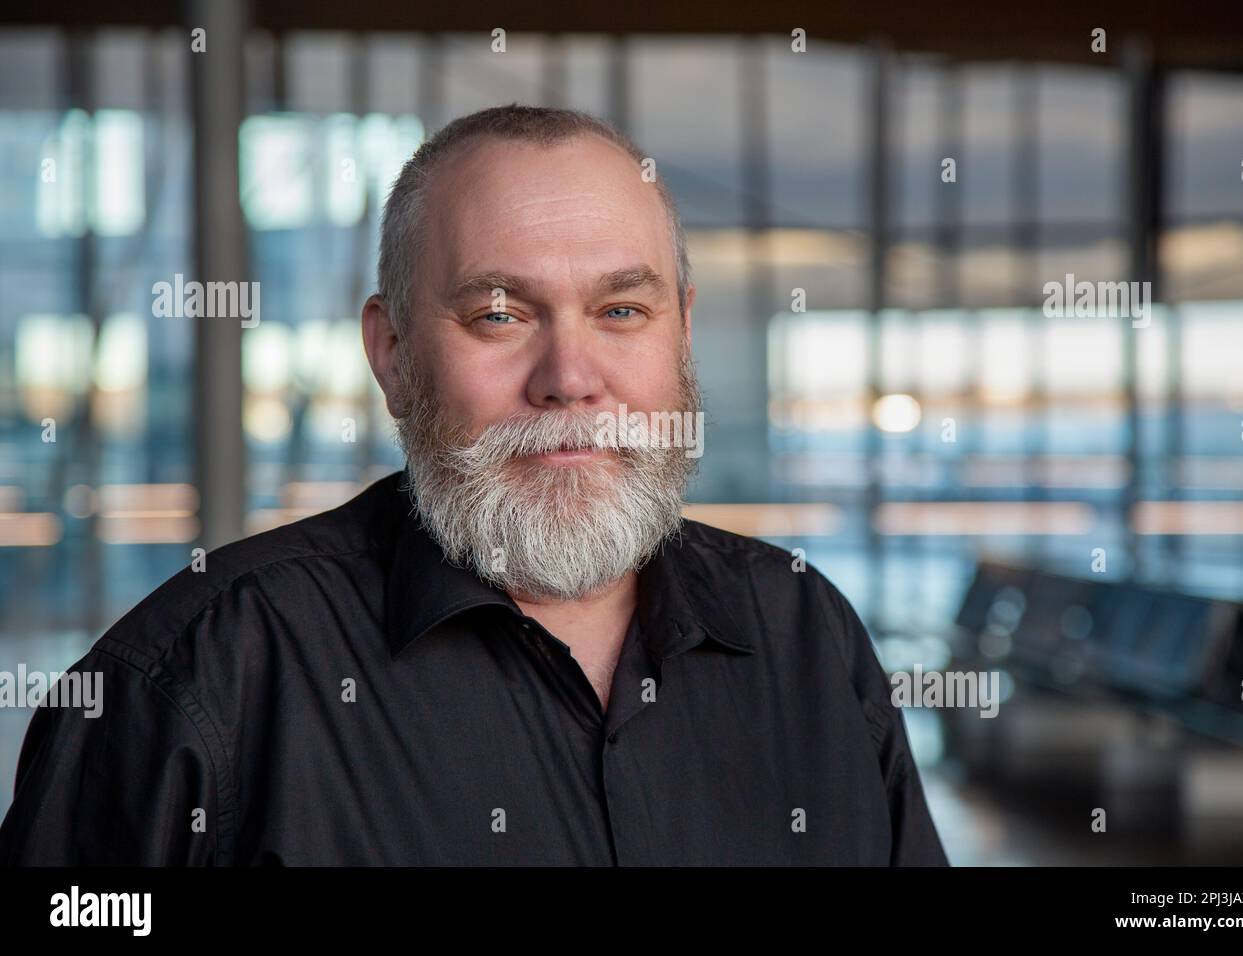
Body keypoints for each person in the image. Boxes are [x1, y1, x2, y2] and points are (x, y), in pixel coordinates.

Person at [0, 104, 947, 865]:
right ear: (394, 353)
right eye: (499, 314)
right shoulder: (193, 681)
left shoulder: (807, 636)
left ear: (683, 335)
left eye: (622, 309)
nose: (569, 376)